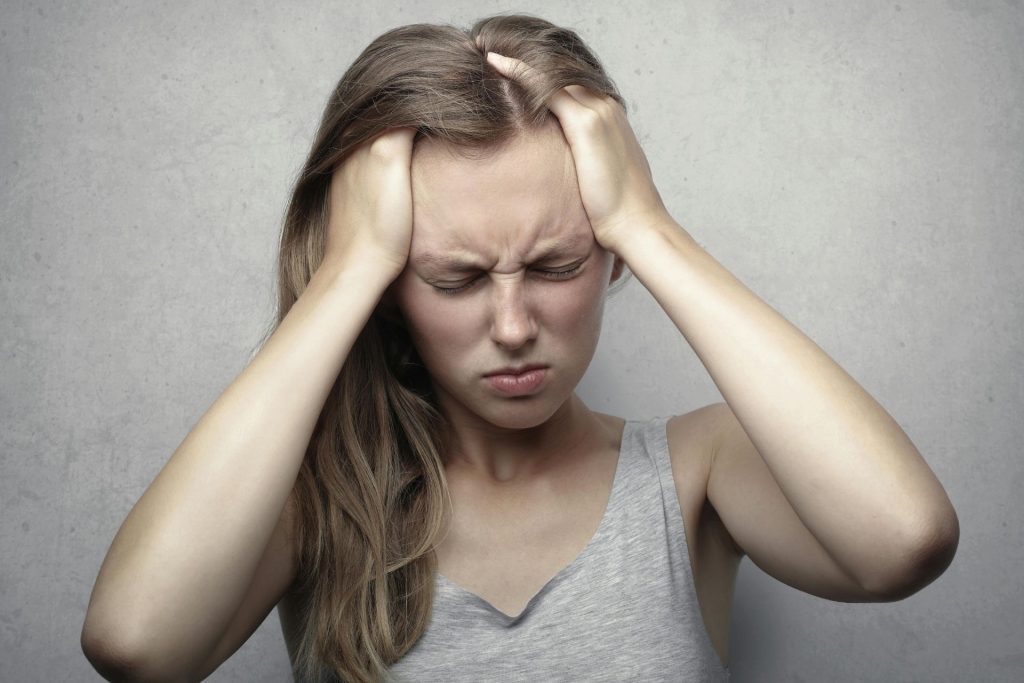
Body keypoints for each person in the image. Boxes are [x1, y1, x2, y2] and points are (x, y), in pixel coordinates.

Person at [80, 13, 960, 683]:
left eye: (556, 262)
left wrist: (648, 226)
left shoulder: (699, 472)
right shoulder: (318, 505)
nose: (511, 324)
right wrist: (349, 271)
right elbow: (136, 643)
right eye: (455, 279)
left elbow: (904, 538)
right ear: (392, 290)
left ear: (606, 255)